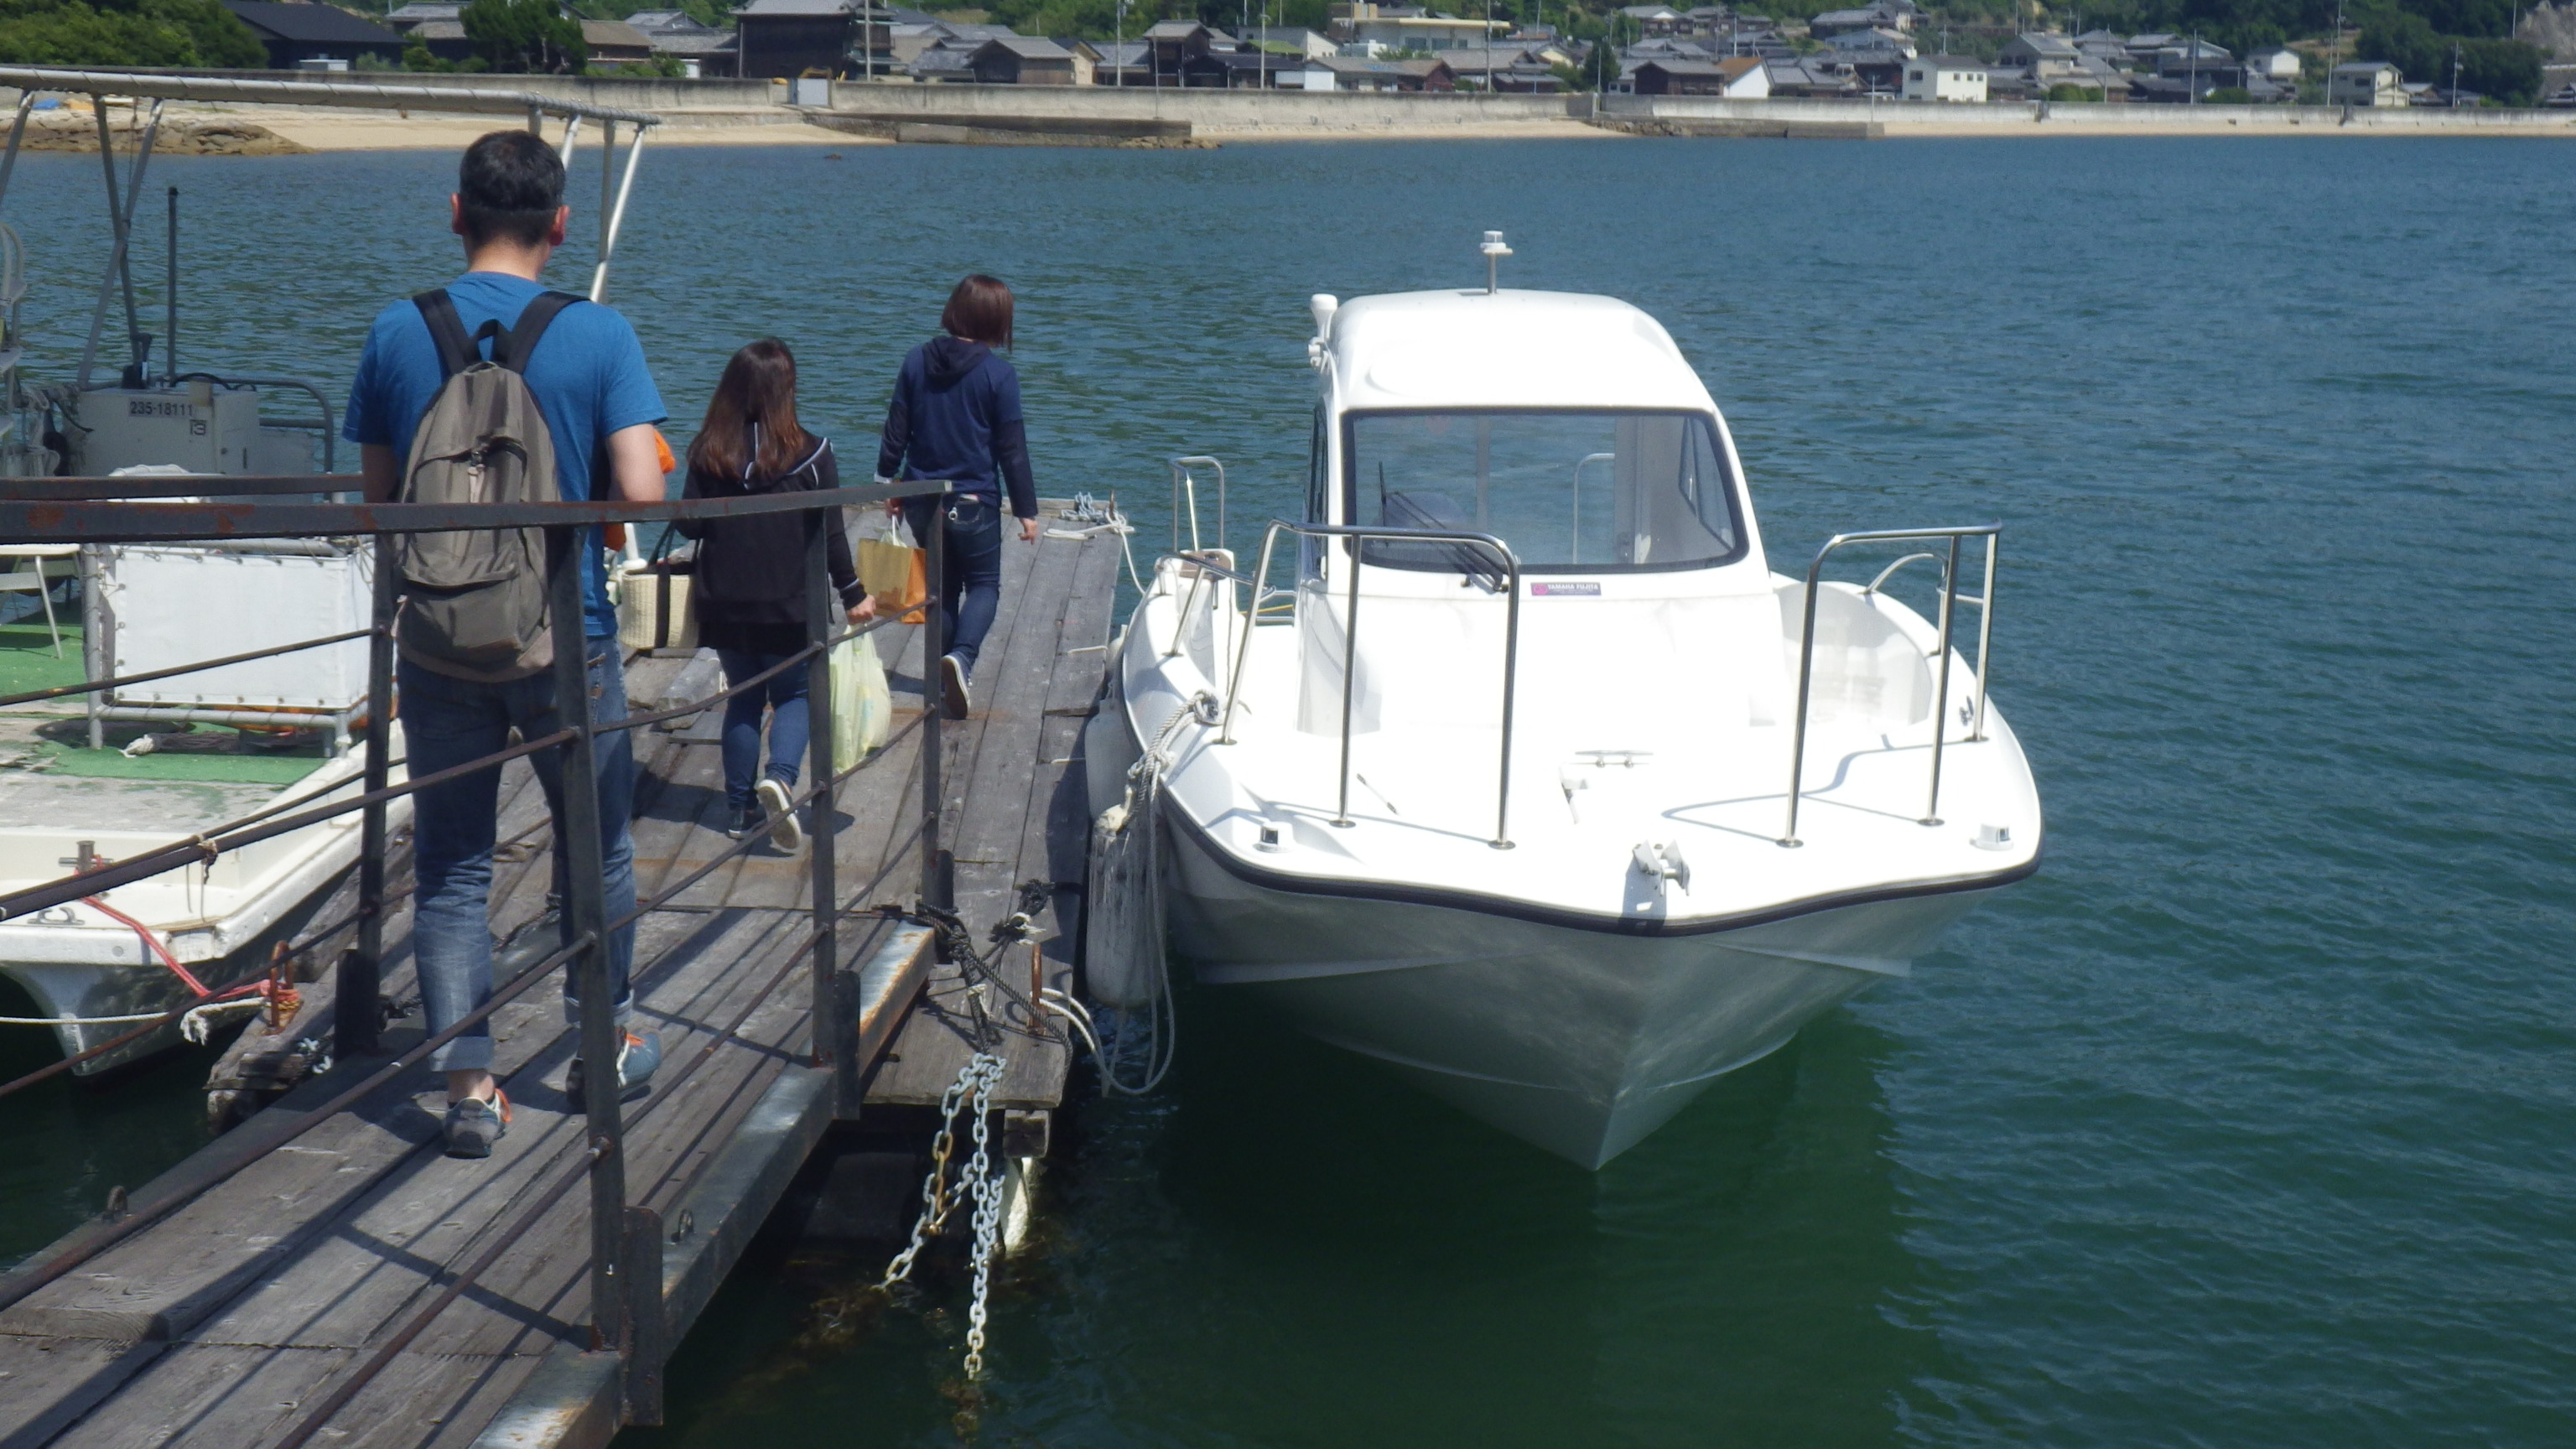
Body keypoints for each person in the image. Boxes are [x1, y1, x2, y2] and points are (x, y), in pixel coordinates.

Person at [345, 130, 667, 1159]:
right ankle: (601, 1040)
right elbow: (643, 494)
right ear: (561, 226)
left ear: (455, 213)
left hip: (436, 644)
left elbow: (379, 503)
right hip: (566, 636)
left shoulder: (399, 332)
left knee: (451, 868)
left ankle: (471, 1088)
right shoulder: (598, 334)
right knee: (597, 847)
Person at [673, 339, 872, 849]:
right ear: (789, 390)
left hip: (724, 600)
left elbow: (689, 529)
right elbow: (830, 534)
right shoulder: (813, 455)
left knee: (743, 700)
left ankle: (738, 811)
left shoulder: (708, 452)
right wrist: (853, 593)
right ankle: (780, 779)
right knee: (797, 695)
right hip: (789, 602)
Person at [875, 274, 1039, 719]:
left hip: (922, 497)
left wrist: (888, 481)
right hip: (974, 501)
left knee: (941, 590)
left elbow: (896, 430)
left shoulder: (915, 361)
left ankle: (946, 681)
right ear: (998, 320)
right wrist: (1026, 510)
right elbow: (1012, 449)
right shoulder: (998, 375)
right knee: (985, 584)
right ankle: (962, 659)